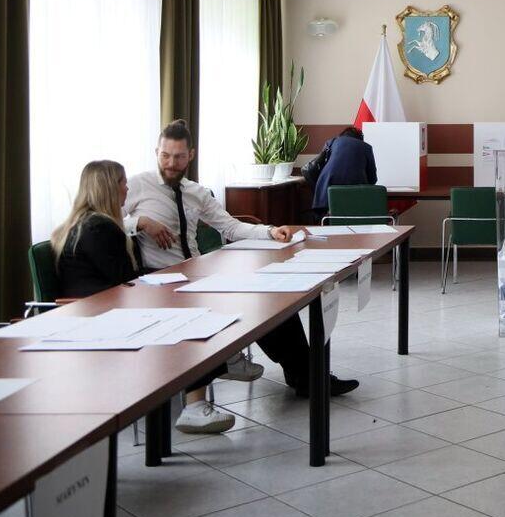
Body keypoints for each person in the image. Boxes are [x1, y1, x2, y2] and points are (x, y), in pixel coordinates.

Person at [124, 120, 359, 397]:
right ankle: (239, 362)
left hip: (196, 274)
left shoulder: (196, 192)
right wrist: (140, 222)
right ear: (156, 152)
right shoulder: (138, 186)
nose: (171, 164)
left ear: (191, 155)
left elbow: (230, 227)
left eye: (178, 157)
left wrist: (270, 231)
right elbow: (100, 218)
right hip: (161, 280)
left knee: (269, 300)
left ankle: (306, 377)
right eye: (165, 156)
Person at [53, 160, 234, 433]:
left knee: (187, 310)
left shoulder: (83, 224)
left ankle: (212, 380)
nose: (127, 189)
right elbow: (124, 281)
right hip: (102, 316)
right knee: (192, 319)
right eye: (122, 183)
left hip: (97, 309)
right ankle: (195, 404)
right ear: (108, 188)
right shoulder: (100, 229)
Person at [303, 126, 378, 221]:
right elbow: (373, 179)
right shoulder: (366, 147)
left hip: (326, 192)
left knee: (326, 220)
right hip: (356, 198)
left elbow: (321, 165)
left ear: (342, 136)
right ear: (360, 138)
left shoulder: (332, 142)